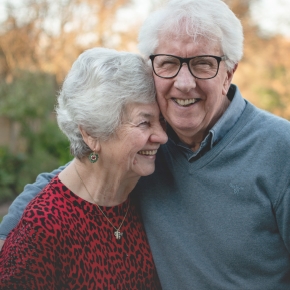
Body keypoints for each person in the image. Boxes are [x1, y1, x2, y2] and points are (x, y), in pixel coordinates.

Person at [1, 0, 290, 289]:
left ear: (229, 73)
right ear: (154, 67)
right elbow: (79, 174)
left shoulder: (280, 149)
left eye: (203, 63)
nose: (184, 82)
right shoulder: (152, 144)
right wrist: (11, 236)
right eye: (169, 63)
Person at [0, 47, 167, 289]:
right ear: (90, 133)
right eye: (144, 122)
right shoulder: (43, 228)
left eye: (161, 121)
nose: (162, 136)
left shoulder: (140, 195)